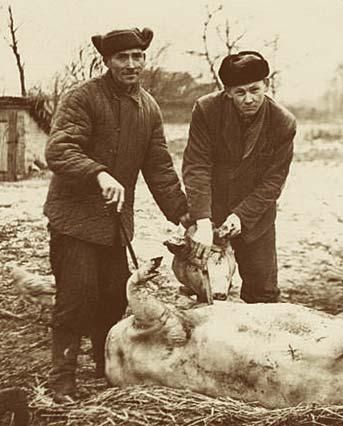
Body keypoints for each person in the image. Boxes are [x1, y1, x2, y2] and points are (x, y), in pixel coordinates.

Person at [43, 27, 188, 402]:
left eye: (137, 56)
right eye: (122, 57)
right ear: (106, 61)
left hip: (114, 223)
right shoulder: (82, 98)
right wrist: (98, 172)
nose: (131, 64)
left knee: (112, 296)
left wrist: (184, 214)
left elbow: (159, 167)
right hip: (74, 220)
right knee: (77, 297)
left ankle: (104, 368)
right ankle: (62, 379)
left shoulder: (148, 107)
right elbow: (59, 150)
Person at [183, 51, 296, 304]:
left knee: (264, 293)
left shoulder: (283, 122)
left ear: (266, 85)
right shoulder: (206, 109)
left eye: (255, 90)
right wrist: (202, 219)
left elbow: (273, 182)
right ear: (228, 92)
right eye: (240, 92)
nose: (248, 99)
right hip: (210, 212)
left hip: (256, 216)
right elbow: (196, 165)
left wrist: (242, 216)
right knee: (206, 291)